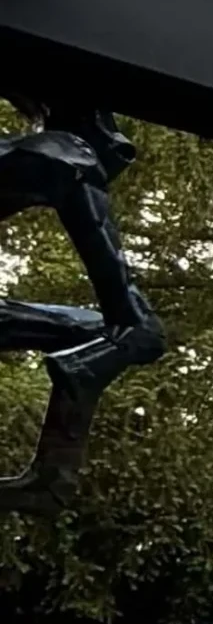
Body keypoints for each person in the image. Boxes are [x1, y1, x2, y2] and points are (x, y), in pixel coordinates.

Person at [0, 93, 165, 511]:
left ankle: (49, 481)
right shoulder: (66, 155)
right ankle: (51, 481)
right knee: (120, 331)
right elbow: (135, 323)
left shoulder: (46, 156)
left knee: (93, 329)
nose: (121, 150)